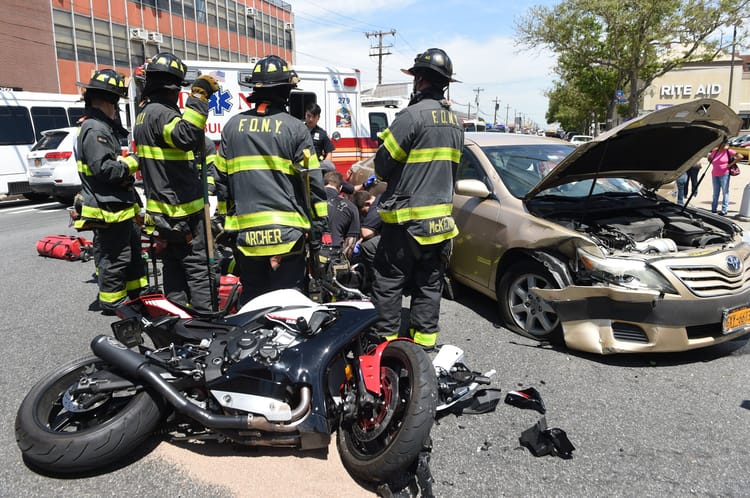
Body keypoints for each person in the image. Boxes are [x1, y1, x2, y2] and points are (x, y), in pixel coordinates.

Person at [215, 55, 329, 305]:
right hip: (288, 237)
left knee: (253, 300)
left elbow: (221, 182)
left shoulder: (232, 127)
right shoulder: (296, 128)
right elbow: (312, 185)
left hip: (246, 236)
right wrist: (319, 226)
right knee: (288, 304)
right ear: (286, 91)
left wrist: (225, 221)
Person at [369, 48, 464, 350]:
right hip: (440, 225)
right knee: (428, 285)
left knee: (388, 283)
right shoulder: (456, 124)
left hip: (406, 223)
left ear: (419, 79)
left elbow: (383, 167)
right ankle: (423, 349)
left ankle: (385, 349)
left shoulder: (409, 117)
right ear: (445, 84)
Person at [133, 52, 219, 312]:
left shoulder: (145, 114)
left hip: (163, 214)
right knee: (199, 270)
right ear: (174, 87)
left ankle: (177, 325)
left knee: (173, 269)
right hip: (183, 213)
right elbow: (186, 135)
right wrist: (200, 96)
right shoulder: (162, 114)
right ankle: (206, 326)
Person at [74, 69, 145, 314]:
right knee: (115, 258)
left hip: (117, 206)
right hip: (108, 209)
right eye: (115, 103)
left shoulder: (100, 127)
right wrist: (134, 162)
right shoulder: (95, 130)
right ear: (106, 102)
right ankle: (113, 303)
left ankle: (135, 296)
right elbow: (105, 169)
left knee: (131, 254)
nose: (116, 110)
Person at [324, 170, 360, 259]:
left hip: (309, 255)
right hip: (334, 255)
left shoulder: (308, 202)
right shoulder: (351, 207)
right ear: (340, 188)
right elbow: (350, 243)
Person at [709, 142, 744, 215]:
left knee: (725, 192)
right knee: (715, 192)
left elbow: (740, 156)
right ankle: (713, 209)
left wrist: (730, 164)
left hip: (724, 174)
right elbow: (709, 159)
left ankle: (724, 210)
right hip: (714, 174)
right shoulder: (714, 152)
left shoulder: (728, 151)